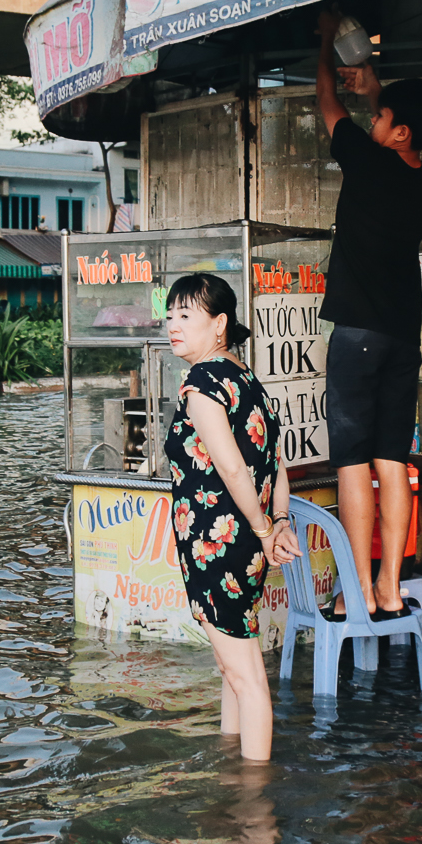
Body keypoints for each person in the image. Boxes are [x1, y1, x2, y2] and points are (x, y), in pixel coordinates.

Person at [314, 8, 422, 619]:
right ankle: (391, 586)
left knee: (351, 464)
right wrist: (377, 88)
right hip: (402, 334)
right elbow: (387, 124)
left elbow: (329, 110)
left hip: (359, 333)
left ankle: (357, 589)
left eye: (385, 117)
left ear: (397, 133)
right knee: (392, 461)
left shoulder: (365, 164)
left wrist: (327, 55)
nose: (375, 120)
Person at [164, 272, 302, 762]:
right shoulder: (244, 377)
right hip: (242, 546)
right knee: (234, 669)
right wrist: (277, 521)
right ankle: (231, 760)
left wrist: (267, 531)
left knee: (246, 676)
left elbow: (233, 468)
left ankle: (254, 805)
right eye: (170, 314)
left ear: (219, 323)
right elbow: (276, 463)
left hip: (219, 547)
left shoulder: (202, 384)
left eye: (186, 315)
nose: (173, 325)